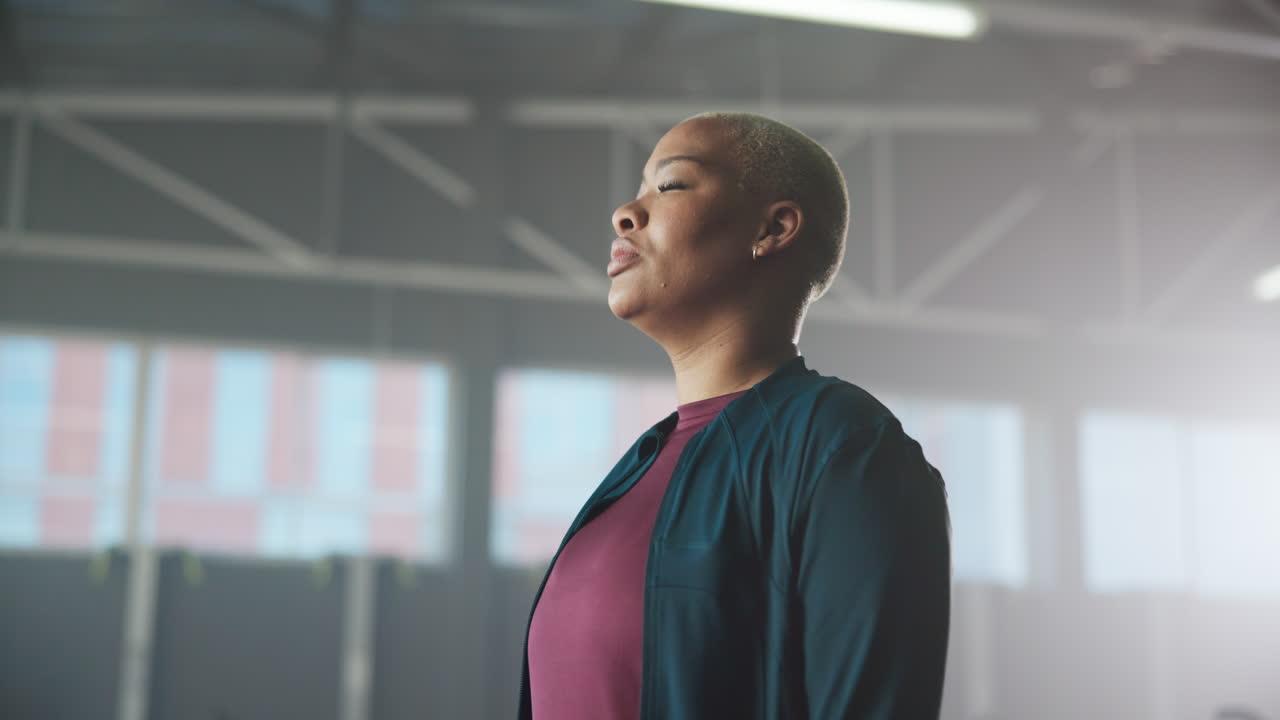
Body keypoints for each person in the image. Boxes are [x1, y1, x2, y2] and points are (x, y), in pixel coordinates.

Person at [517, 111, 952, 719]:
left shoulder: (844, 446)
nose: (625, 213)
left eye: (668, 186)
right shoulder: (638, 465)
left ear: (774, 227)